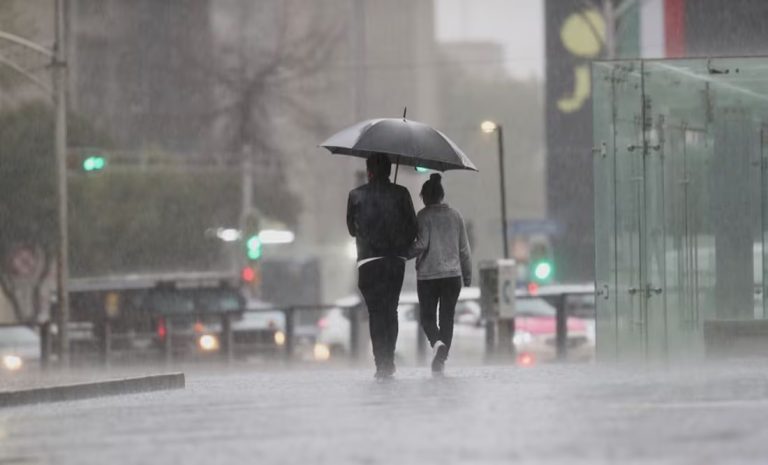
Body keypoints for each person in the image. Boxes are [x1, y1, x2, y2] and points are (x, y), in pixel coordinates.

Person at [347, 153, 417, 380]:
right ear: (388, 171)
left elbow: (351, 229)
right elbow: (413, 227)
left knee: (375, 312)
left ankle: (381, 363)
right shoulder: (401, 193)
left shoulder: (355, 196)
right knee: (391, 310)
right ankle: (390, 358)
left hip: (368, 262)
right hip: (394, 261)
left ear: (369, 171)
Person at [408, 173, 471, 375]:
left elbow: (422, 244)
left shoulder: (423, 216)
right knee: (447, 318)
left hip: (428, 276)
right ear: (441, 195)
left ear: (425, 197)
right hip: (453, 276)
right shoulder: (456, 216)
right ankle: (441, 358)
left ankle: (437, 344)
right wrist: (467, 275)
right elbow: (464, 249)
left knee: (427, 317)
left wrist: (403, 252)